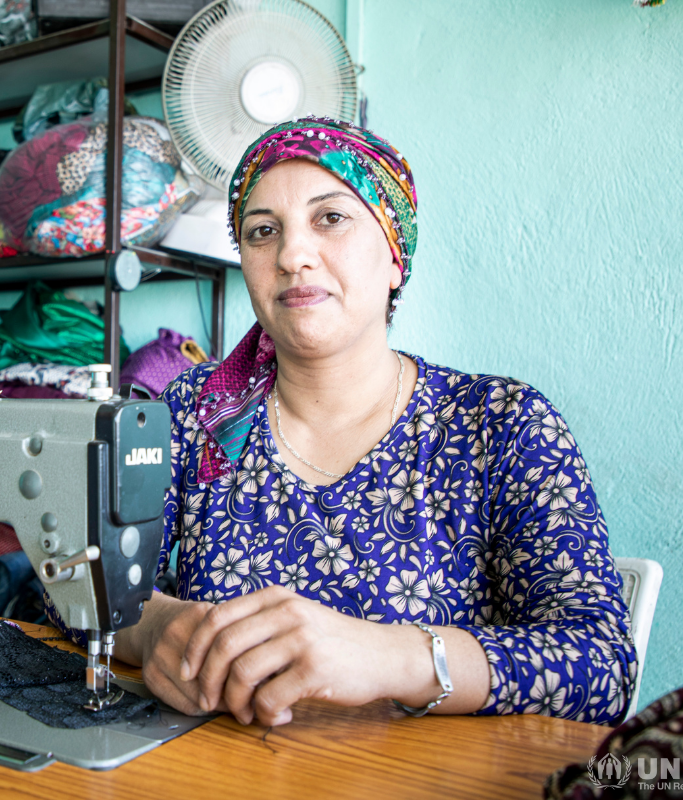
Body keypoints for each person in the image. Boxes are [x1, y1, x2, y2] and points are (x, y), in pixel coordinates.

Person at [50, 116, 636, 727]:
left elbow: (601, 664)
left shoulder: (502, 426)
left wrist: (394, 657)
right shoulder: (196, 414)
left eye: (330, 218)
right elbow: (67, 578)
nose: (292, 254)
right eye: (261, 231)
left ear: (394, 257)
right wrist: (154, 627)